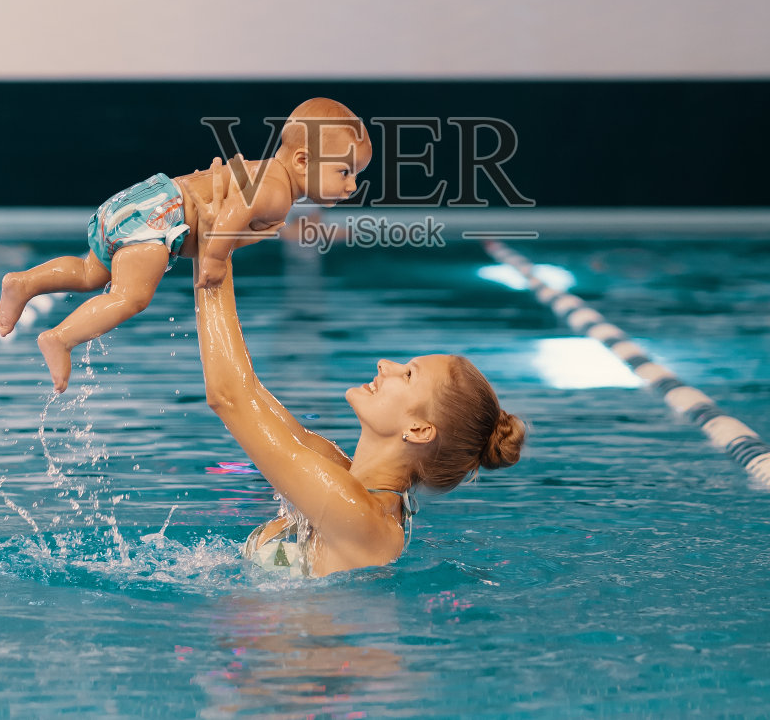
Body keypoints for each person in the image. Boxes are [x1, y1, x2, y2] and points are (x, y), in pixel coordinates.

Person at [194, 171, 527, 576]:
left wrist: (213, 256)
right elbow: (246, 392)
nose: (384, 365)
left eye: (407, 375)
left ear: (419, 430)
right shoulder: (340, 473)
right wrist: (221, 235)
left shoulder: (360, 515)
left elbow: (227, 397)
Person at [0, 98, 370, 393]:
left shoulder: (262, 170)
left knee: (92, 272)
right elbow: (233, 213)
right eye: (344, 172)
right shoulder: (276, 191)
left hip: (138, 201)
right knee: (131, 298)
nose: (351, 186)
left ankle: (24, 283)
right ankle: (60, 338)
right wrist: (216, 259)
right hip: (158, 217)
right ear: (303, 160)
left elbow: (218, 184)